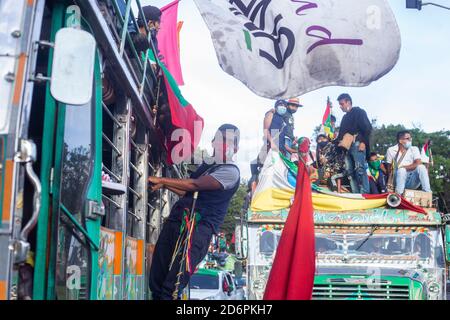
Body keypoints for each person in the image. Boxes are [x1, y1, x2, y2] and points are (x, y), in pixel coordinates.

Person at [148, 124, 241, 300]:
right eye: (220, 140)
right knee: (156, 281)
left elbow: (194, 185)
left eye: (229, 142)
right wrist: (164, 184)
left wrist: (161, 179)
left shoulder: (230, 171)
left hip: (198, 231)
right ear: (214, 142)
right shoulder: (207, 166)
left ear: (235, 148)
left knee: (171, 287)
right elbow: (187, 191)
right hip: (178, 222)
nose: (224, 145)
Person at [335, 93, 372, 194]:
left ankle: (364, 194)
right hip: (346, 148)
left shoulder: (359, 112)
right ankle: (356, 194)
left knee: (360, 169)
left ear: (348, 102)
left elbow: (367, 128)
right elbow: (341, 135)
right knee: (350, 172)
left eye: (342, 104)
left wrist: (363, 142)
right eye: (340, 104)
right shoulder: (344, 118)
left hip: (357, 143)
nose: (340, 106)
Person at [385, 130, 432, 195]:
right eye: (408, 138)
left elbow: (418, 163)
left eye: (410, 138)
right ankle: (398, 195)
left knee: (421, 167)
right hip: (398, 179)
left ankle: (428, 193)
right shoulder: (391, 150)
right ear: (400, 141)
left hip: (412, 180)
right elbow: (389, 169)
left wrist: (404, 167)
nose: (410, 140)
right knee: (401, 171)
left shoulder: (414, 149)